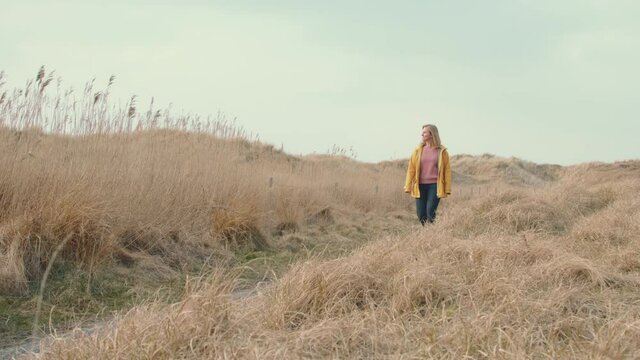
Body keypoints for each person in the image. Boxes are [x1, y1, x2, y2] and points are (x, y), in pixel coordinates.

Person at [404, 124, 451, 225]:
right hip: (419, 185)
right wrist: (408, 186)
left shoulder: (442, 152)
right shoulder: (417, 150)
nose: (422, 134)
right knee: (421, 214)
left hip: (435, 186)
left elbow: (447, 171)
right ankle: (427, 233)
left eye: (424, 132)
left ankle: (430, 234)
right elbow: (411, 169)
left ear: (431, 134)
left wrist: (447, 188)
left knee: (430, 213)